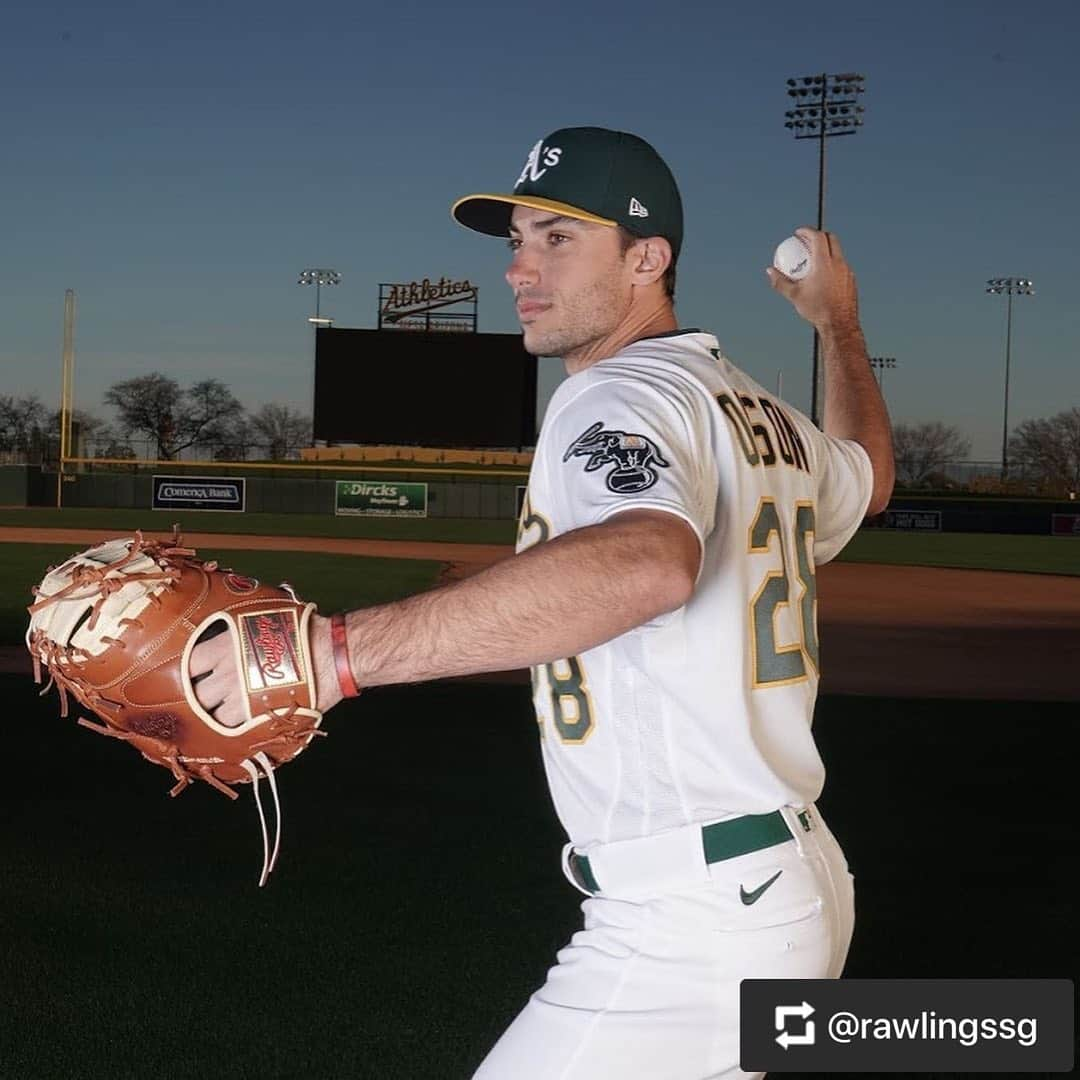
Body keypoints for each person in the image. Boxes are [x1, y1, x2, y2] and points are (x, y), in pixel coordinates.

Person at [191, 126, 893, 1079]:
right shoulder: (753, 410)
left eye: (559, 239)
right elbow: (873, 479)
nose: (521, 266)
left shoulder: (617, 395)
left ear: (649, 260)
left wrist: (331, 655)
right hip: (785, 883)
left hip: (694, 924)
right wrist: (838, 328)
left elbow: (648, 561)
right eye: (516, 238)